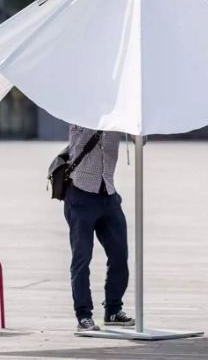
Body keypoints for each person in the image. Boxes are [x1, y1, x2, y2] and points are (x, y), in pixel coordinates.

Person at [64, 125, 134, 332]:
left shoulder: (120, 116)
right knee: (82, 257)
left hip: (109, 193)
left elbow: (142, 141)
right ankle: (83, 315)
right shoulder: (82, 113)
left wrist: (135, 128)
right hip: (81, 194)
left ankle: (113, 310)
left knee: (120, 255)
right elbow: (81, 139)